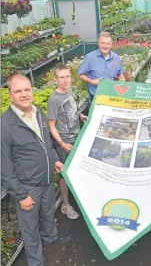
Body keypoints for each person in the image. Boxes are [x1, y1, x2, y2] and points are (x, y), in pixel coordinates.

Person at [1, 74, 72, 266]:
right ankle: (36, 261)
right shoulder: (5, 125)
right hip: (28, 187)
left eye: (27, 89)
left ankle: (51, 237)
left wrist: (55, 160)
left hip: (47, 179)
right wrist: (20, 195)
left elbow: (47, 143)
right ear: (10, 94)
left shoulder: (37, 112)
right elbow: (4, 167)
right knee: (30, 228)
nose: (24, 94)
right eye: (18, 91)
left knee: (48, 214)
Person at [48, 63, 87, 220]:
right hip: (65, 141)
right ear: (56, 79)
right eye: (61, 77)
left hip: (77, 137)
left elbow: (71, 110)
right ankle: (65, 205)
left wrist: (80, 116)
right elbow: (51, 125)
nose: (65, 80)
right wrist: (62, 143)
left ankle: (77, 199)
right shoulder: (54, 99)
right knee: (64, 174)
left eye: (67, 76)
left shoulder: (69, 92)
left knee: (76, 168)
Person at [78, 31, 125, 101]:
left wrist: (122, 79)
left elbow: (120, 74)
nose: (105, 46)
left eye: (108, 44)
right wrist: (92, 82)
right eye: (103, 43)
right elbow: (80, 75)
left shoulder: (116, 58)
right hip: (96, 96)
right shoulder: (90, 57)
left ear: (111, 45)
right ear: (98, 44)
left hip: (113, 95)